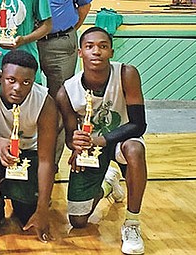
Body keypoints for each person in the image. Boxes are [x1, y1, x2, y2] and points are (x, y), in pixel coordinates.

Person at [56, 27, 147, 255]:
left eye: (102, 46)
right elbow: (69, 136)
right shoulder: (66, 92)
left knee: (135, 149)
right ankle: (109, 183)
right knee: (78, 221)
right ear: (80, 53)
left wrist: (102, 140)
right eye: (89, 47)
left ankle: (132, 224)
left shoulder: (126, 74)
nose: (96, 51)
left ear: (111, 52)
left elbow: (138, 124)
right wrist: (75, 145)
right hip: (91, 150)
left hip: (120, 142)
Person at [17, 0, 93, 164]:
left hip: (61, 45)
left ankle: (51, 161)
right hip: (28, 44)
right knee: (27, 99)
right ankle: (26, 155)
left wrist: (66, 29)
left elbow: (84, 5)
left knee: (62, 102)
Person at [0, 50, 58, 239]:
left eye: (26, 82)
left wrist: (42, 209)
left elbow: (46, 160)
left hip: (25, 154)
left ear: (33, 81)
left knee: (25, 212)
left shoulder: (45, 103)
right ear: (0, 77)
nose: (17, 88)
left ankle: (16, 193)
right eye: (11, 80)